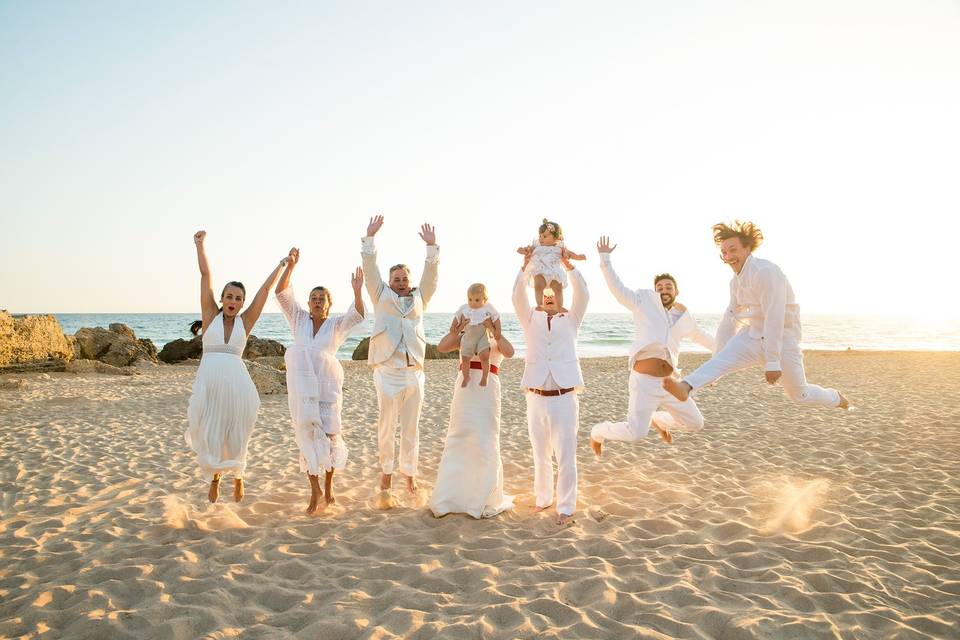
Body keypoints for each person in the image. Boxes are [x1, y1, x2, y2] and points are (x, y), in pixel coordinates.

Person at [663, 220, 850, 410]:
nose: (728, 256)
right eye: (724, 253)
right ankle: (685, 387)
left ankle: (835, 397)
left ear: (747, 248)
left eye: (733, 250)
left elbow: (774, 317)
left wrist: (773, 361)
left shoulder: (766, 272)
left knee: (800, 395)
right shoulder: (735, 282)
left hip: (783, 340)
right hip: (751, 336)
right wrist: (716, 366)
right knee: (719, 360)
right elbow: (730, 319)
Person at [589, 236, 715, 458]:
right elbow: (617, 288)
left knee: (696, 423)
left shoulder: (685, 318)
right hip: (644, 382)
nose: (664, 289)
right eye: (660, 287)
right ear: (655, 291)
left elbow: (704, 338)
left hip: (670, 384)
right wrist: (605, 259)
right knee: (636, 433)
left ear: (676, 291)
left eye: (668, 286)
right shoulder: (643, 302)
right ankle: (598, 432)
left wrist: (725, 352)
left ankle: (661, 419)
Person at [185, 230, 287, 503]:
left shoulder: (246, 322)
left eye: (238, 298)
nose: (233, 301)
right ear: (221, 299)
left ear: (242, 303)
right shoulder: (209, 317)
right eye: (229, 297)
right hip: (211, 382)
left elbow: (265, 291)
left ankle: (238, 475)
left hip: (237, 383)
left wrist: (282, 264)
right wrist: (200, 245)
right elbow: (206, 277)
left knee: (237, 430)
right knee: (211, 430)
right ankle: (216, 478)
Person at [274, 247, 366, 514]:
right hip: (302, 388)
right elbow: (281, 294)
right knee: (306, 434)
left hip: (327, 387)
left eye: (321, 298)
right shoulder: (298, 318)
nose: (316, 301)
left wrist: (358, 291)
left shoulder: (336, 325)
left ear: (328, 304)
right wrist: (290, 266)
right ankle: (314, 491)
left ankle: (329, 486)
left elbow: (358, 315)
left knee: (330, 434)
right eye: (313, 297)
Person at [361, 214, 439, 499]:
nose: (402, 282)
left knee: (411, 427)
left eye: (405, 278)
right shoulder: (380, 294)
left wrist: (432, 248)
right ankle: (386, 470)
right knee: (386, 425)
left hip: (414, 370)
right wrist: (370, 239)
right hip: (387, 371)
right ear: (390, 282)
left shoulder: (421, 297)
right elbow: (370, 270)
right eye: (397, 279)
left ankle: (409, 473)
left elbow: (431, 276)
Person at [512, 248, 589, 525]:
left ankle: (566, 506)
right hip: (535, 396)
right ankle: (543, 498)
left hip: (564, 396)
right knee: (540, 452)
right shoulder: (529, 318)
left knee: (566, 453)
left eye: (554, 293)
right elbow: (516, 296)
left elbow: (584, 295)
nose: (549, 296)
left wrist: (570, 268)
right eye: (544, 294)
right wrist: (524, 268)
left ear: (560, 296)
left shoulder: (572, 319)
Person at [429, 315, 515, 519]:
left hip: (488, 390)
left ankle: (485, 496)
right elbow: (441, 347)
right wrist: (454, 331)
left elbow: (510, 352)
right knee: (460, 436)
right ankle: (452, 496)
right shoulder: (464, 337)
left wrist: (495, 331)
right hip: (465, 390)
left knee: (485, 439)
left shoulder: (495, 338)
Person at [516, 219, 587, 308]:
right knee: (538, 285)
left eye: (544, 236)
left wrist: (578, 257)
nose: (541, 238)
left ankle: (560, 306)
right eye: (540, 236)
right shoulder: (536, 245)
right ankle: (540, 304)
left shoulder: (560, 247)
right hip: (540, 271)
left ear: (556, 237)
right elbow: (527, 250)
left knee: (558, 288)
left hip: (555, 273)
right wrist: (522, 250)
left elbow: (570, 254)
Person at [454, 283, 499, 387]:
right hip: (469, 336)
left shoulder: (487, 309)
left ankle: (485, 377)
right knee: (465, 358)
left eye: (477, 300)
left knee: (484, 357)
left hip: (482, 336)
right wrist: (454, 326)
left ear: (485, 299)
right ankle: (466, 377)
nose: (473, 303)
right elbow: (456, 317)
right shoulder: (465, 309)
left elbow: (497, 319)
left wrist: (497, 330)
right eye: (470, 299)